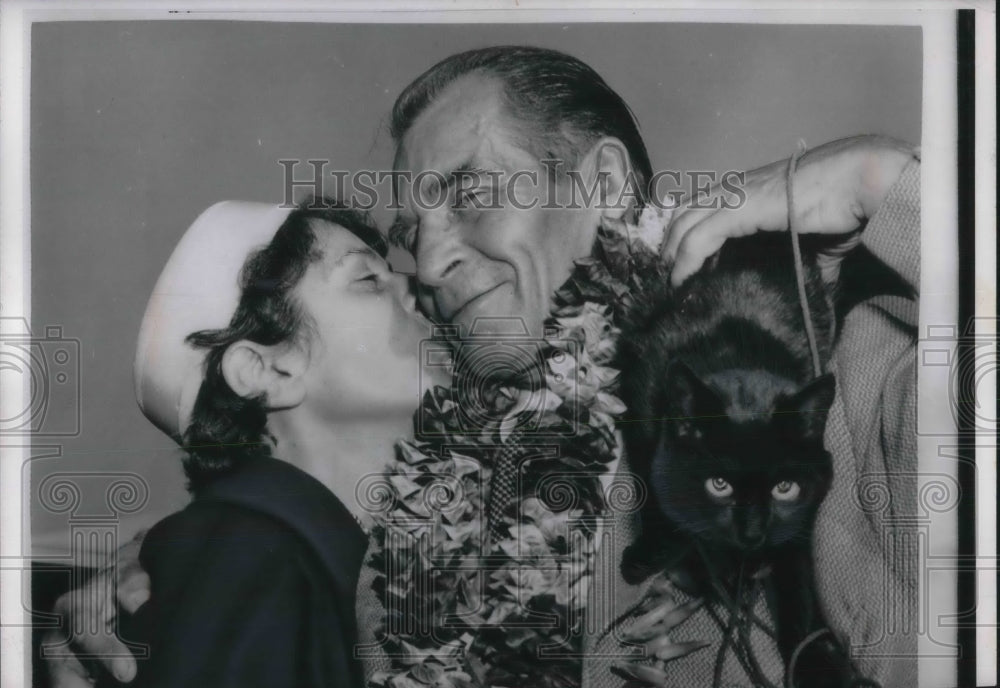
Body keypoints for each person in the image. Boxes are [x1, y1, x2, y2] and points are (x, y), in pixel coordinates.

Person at [48, 46, 921, 688]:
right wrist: (158, 573)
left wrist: (891, 185)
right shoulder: (408, 558)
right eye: (410, 238)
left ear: (607, 189)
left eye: (469, 192)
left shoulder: (832, 368)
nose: (426, 267)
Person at [78, 197, 445, 687]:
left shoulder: (308, 564)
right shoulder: (242, 560)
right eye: (367, 279)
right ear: (267, 370)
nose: (415, 286)